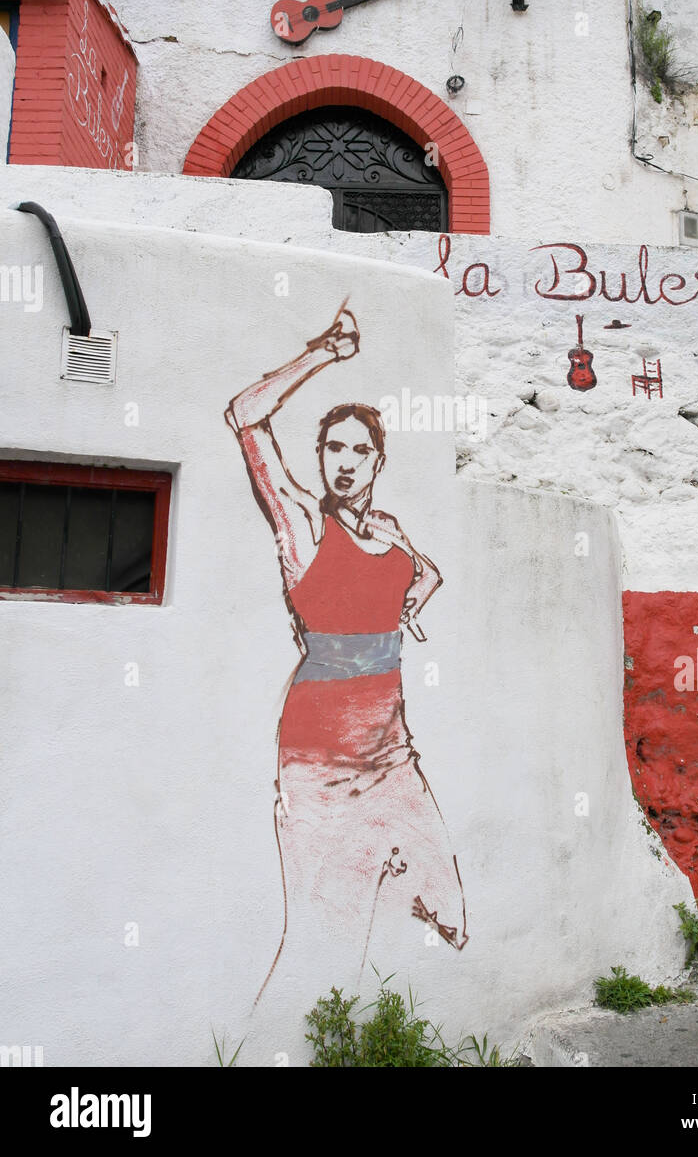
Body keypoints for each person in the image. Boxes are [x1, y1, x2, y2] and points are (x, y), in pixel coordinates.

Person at [225, 303, 468, 1000]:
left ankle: (391, 992)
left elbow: (428, 573)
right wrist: (323, 354)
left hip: (392, 751)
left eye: (361, 450)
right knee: (317, 931)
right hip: (319, 758)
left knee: (447, 904)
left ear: (378, 460)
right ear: (321, 457)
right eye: (335, 448)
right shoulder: (302, 523)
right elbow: (244, 414)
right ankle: (275, 1035)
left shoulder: (389, 529)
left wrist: (405, 612)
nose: (347, 461)